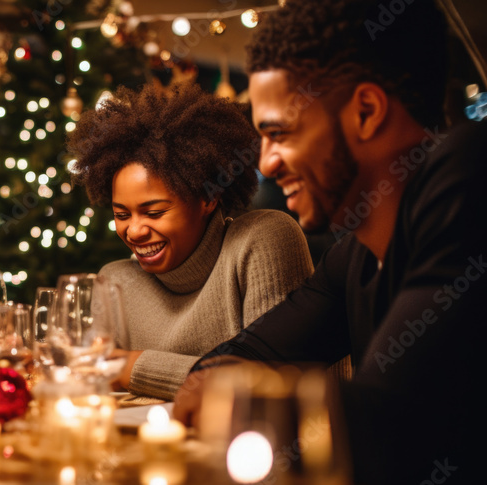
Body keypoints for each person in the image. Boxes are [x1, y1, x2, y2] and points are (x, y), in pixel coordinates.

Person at [172, 1, 485, 482]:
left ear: (366, 111)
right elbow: (233, 361)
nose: (268, 163)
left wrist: (232, 395)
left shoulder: (469, 174)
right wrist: (222, 385)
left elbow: (385, 425)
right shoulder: (354, 255)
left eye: (280, 133)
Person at [66, 83, 314, 399]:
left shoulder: (261, 241)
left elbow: (270, 386)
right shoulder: (114, 281)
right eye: (122, 214)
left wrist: (133, 368)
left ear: (208, 198)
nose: (135, 231)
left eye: (153, 212)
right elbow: (93, 388)